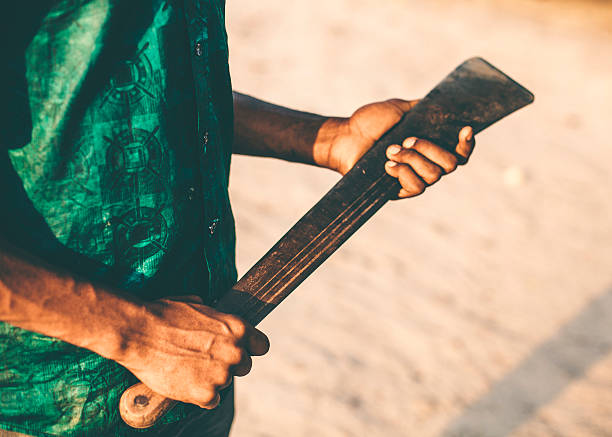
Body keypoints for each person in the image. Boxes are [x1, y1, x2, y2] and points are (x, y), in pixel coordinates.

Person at [0, 1, 474, 436]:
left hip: (200, 352)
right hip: (49, 397)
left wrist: (326, 138)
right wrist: (134, 331)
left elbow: (142, 90)